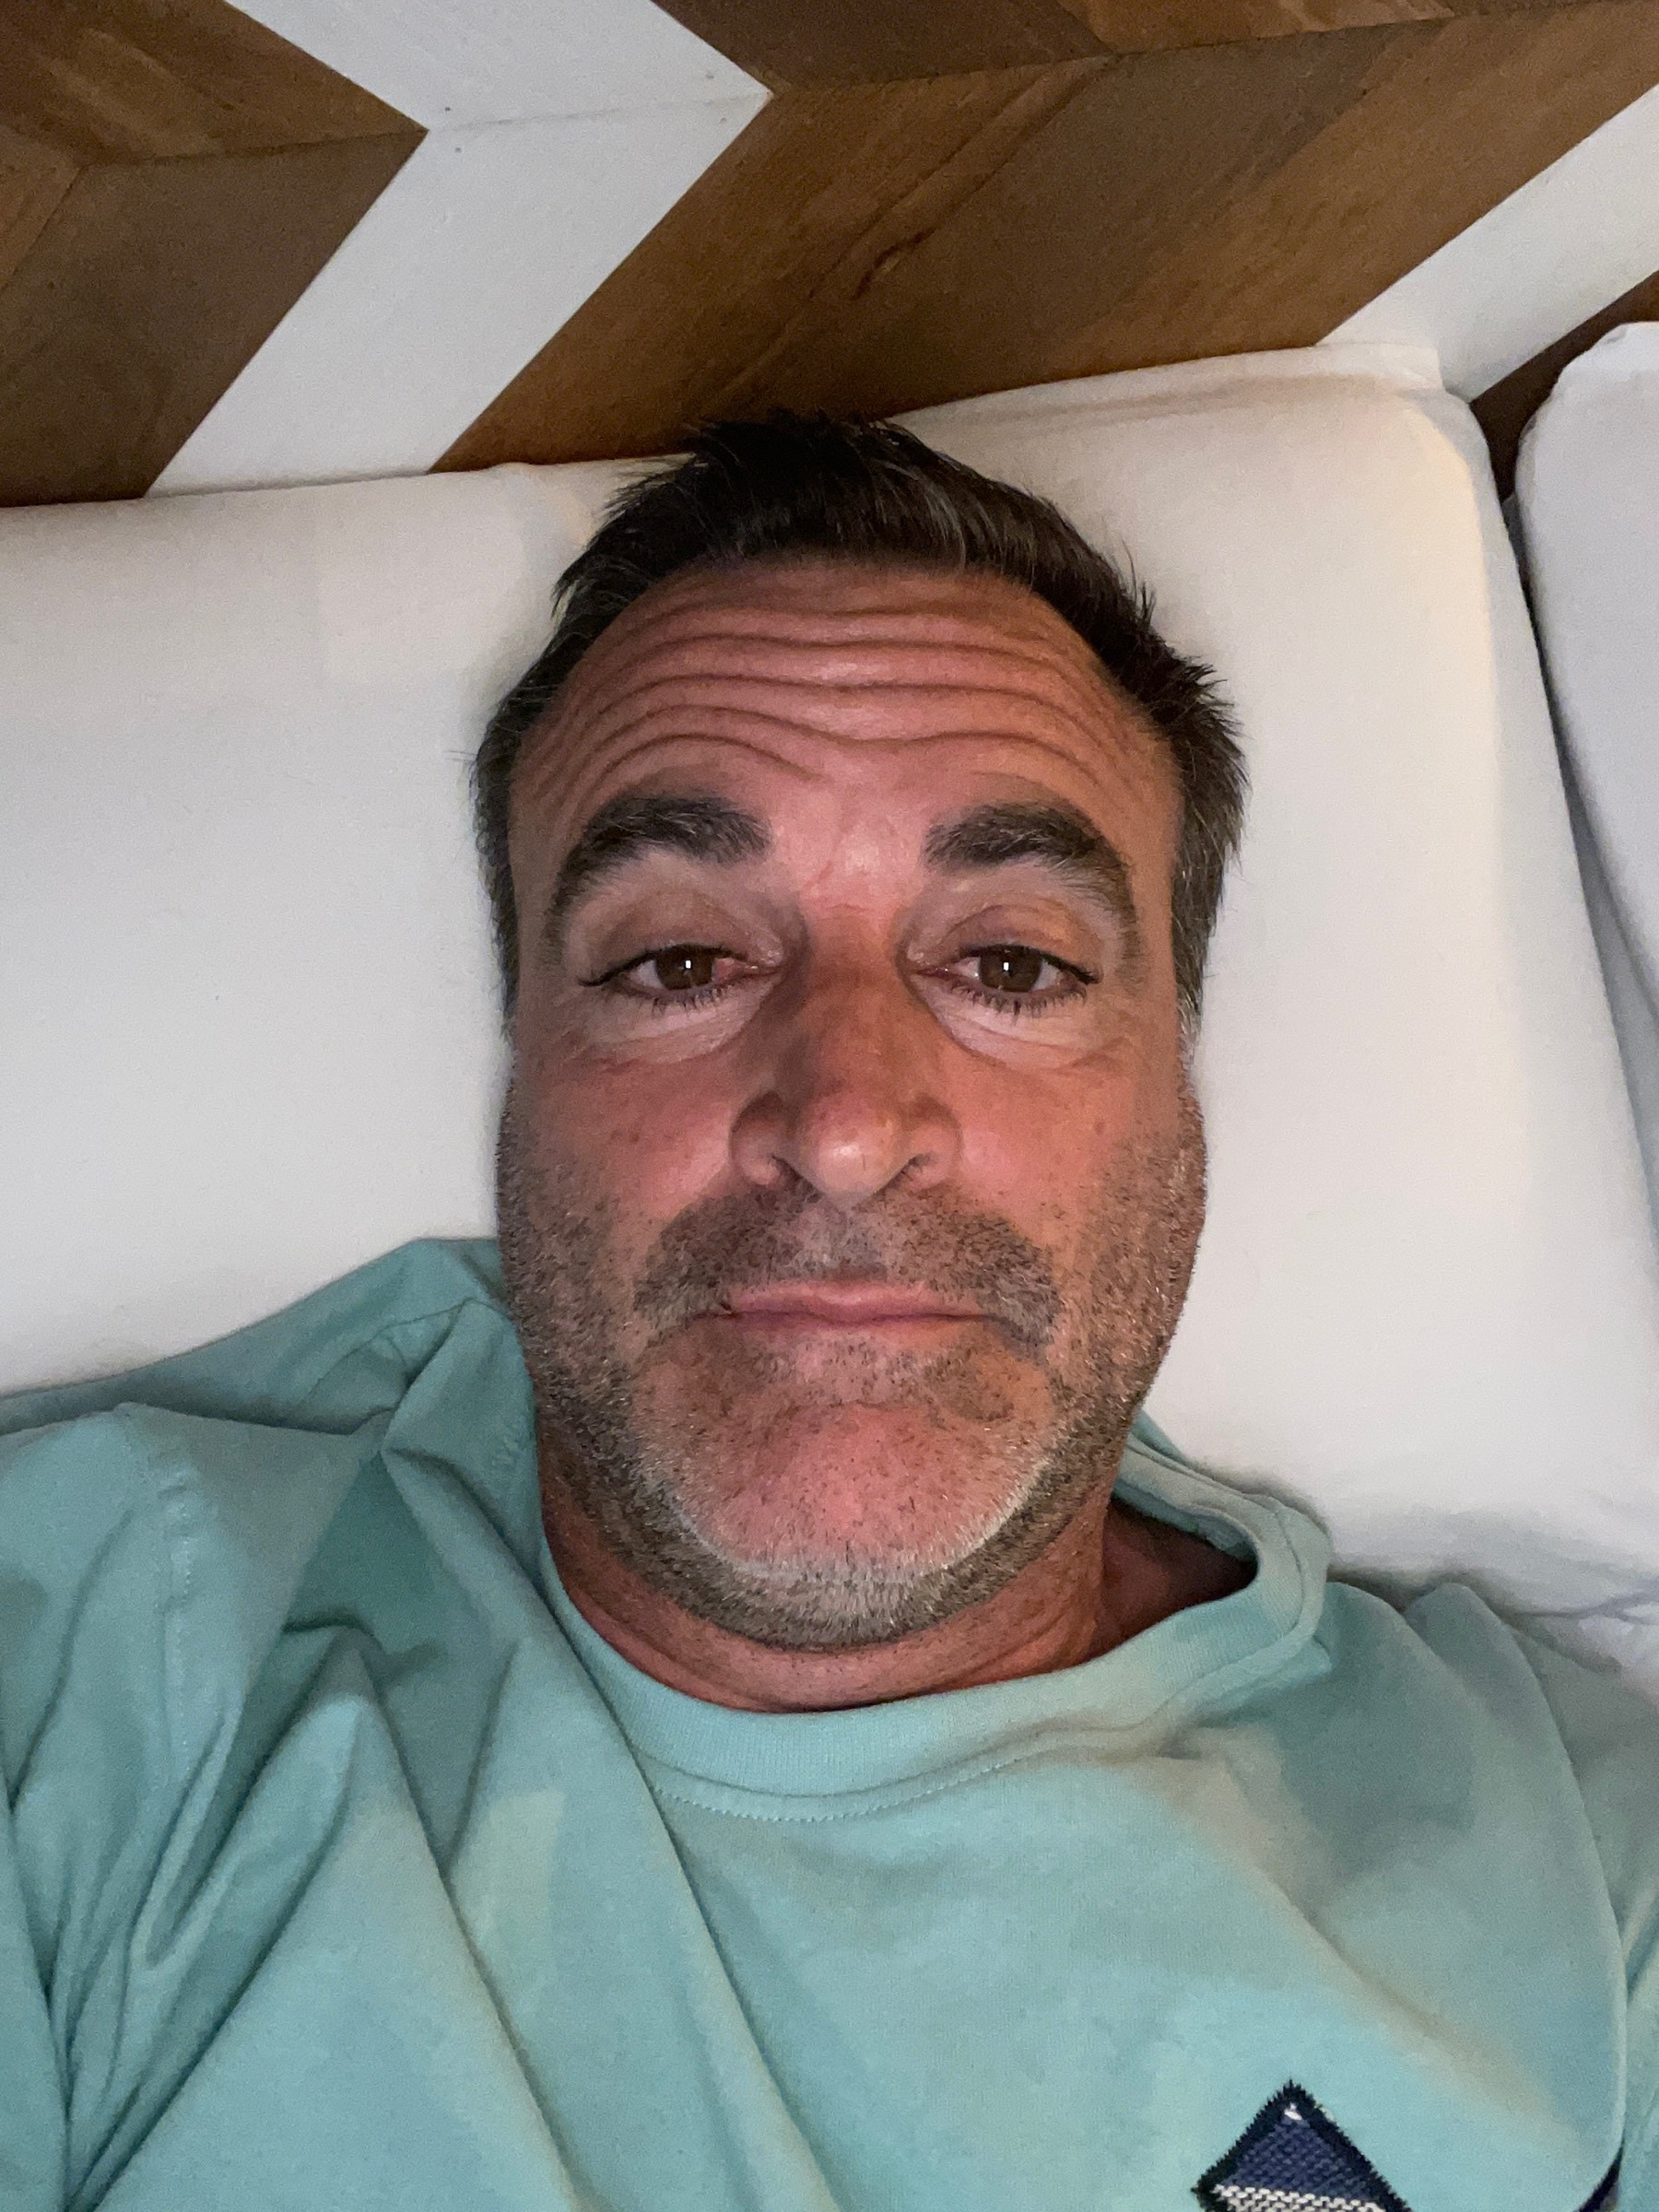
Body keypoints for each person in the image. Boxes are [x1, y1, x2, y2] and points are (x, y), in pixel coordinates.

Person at [0, 415, 1650, 2212]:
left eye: (1010, 964)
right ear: (521, 1079)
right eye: (681, 962)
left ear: (1180, 1110)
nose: (848, 1124)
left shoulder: (1578, 1857)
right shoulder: (93, 1680)